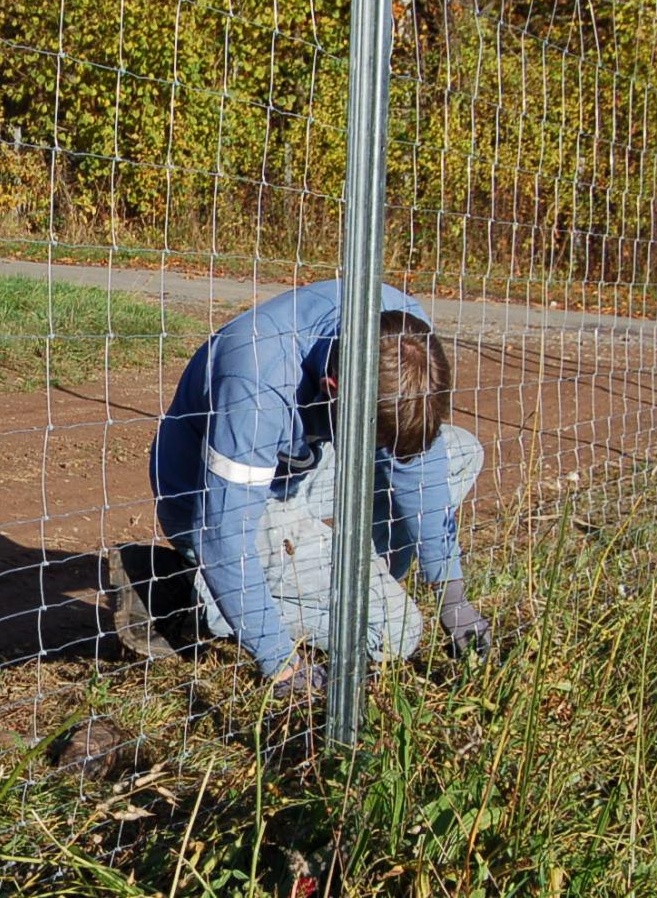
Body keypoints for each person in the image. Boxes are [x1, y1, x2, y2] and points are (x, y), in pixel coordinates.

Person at [111, 280, 490, 693]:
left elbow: (419, 465)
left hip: (303, 469)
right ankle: (194, 598)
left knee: (461, 451)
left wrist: (453, 596)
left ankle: (337, 583)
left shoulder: (401, 333)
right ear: (335, 389)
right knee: (397, 631)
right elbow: (223, 533)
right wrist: (280, 662)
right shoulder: (257, 379)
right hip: (214, 504)